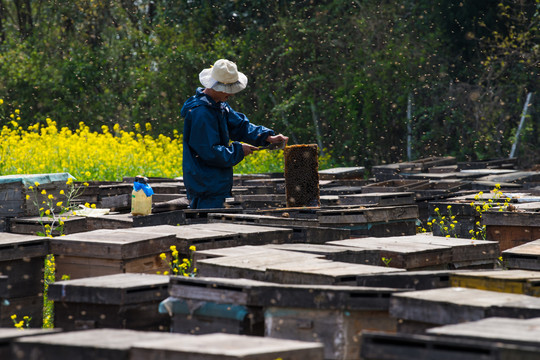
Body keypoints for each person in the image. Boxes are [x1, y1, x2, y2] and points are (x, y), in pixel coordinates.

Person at [181, 59, 288, 209]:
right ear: (215, 86)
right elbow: (210, 152)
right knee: (209, 226)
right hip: (206, 186)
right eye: (228, 89)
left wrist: (267, 137)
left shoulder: (219, 105)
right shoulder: (201, 113)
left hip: (217, 183)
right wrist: (238, 150)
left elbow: (240, 126)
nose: (231, 94)